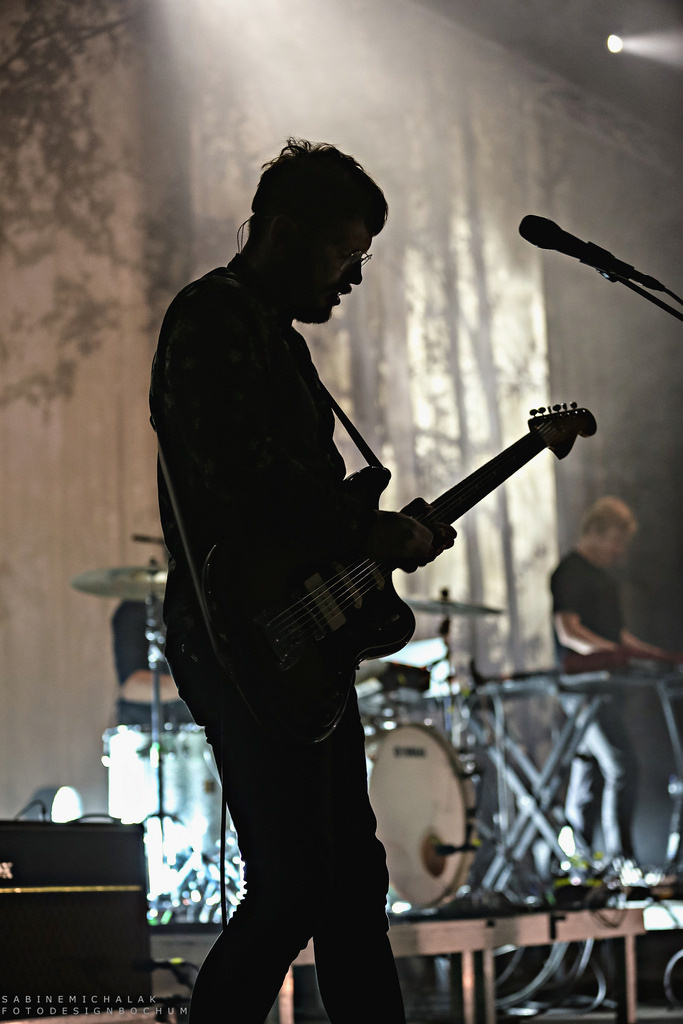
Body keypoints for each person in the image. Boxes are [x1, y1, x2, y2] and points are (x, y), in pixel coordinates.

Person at [149, 139, 455, 1024]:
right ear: (283, 234)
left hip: (300, 640)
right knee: (293, 885)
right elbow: (238, 476)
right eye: (343, 254)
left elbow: (303, 503)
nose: (352, 277)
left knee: (351, 881)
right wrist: (365, 531)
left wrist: (373, 538)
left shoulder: (277, 341)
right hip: (243, 639)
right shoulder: (212, 317)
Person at [551, 495, 675, 880]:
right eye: (616, 541)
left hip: (607, 688)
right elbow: (569, 632)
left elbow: (617, 635)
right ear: (595, 530)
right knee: (622, 765)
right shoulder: (570, 571)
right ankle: (621, 861)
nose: (619, 551)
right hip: (582, 690)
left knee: (589, 773)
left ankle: (580, 867)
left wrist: (652, 655)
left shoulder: (605, 579)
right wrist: (614, 654)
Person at [111, 598, 193, 727]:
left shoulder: (209, 607)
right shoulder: (134, 609)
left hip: (202, 727)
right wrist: (198, 687)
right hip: (145, 726)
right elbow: (132, 687)